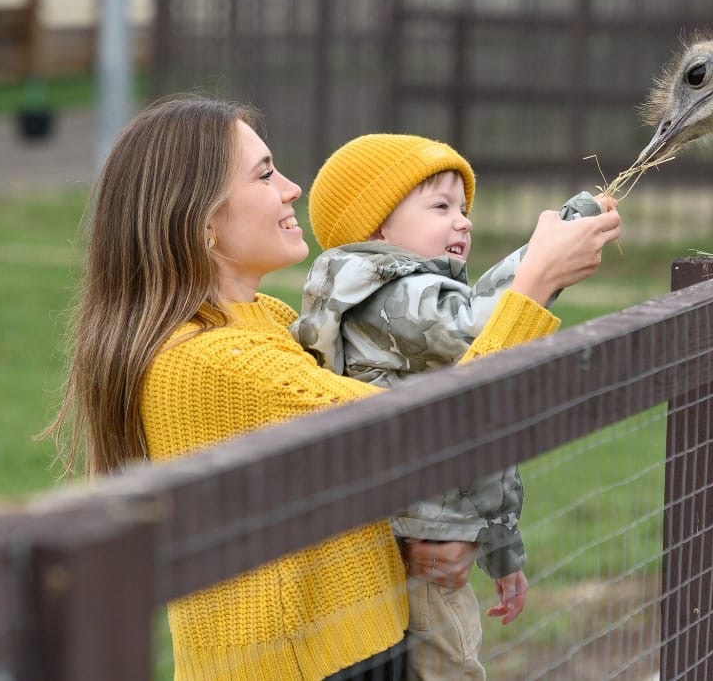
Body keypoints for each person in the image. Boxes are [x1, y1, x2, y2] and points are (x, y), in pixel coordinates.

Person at [43, 95, 621, 681]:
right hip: (310, 665)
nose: (293, 188)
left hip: (350, 644)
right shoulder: (215, 361)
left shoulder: (261, 320)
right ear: (204, 220)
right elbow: (431, 428)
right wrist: (537, 283)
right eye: (265, 174)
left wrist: (420, 538)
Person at [291, 134, 612, 680]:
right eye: (440, 207)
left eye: (464, 209)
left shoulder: (417, 301)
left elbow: (487, 433)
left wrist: (503, 552)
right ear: (377, 228)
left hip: (434, 531)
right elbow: (485, 324)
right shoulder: (389, 297)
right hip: (424, 542)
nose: (463, 221)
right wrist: (550, 254)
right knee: (451, 668)